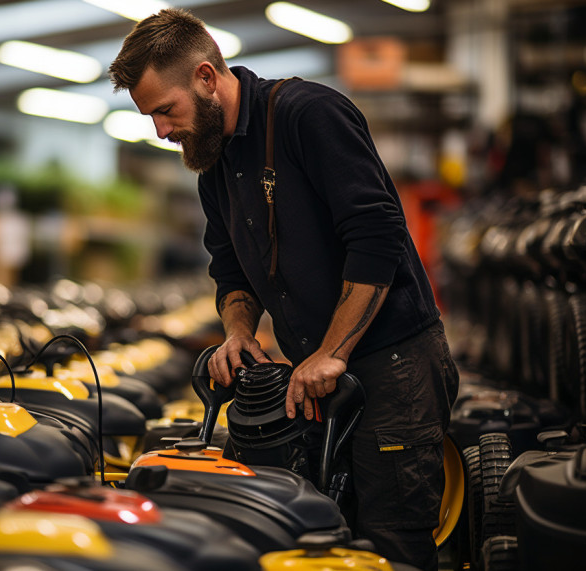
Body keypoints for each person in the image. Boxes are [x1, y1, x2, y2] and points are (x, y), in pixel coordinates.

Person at [109, 9, 459, 571]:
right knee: (324, 530)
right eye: (151, 117)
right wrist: (238, 335)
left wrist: (332, 352)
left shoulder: (308, 115)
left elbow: (377, 236)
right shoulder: (214, 167)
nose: (162, 131)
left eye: (165, 111)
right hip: (315, 374)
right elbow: (229, 267)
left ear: (205, 77)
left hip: (393, 365)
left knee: (391, 541)